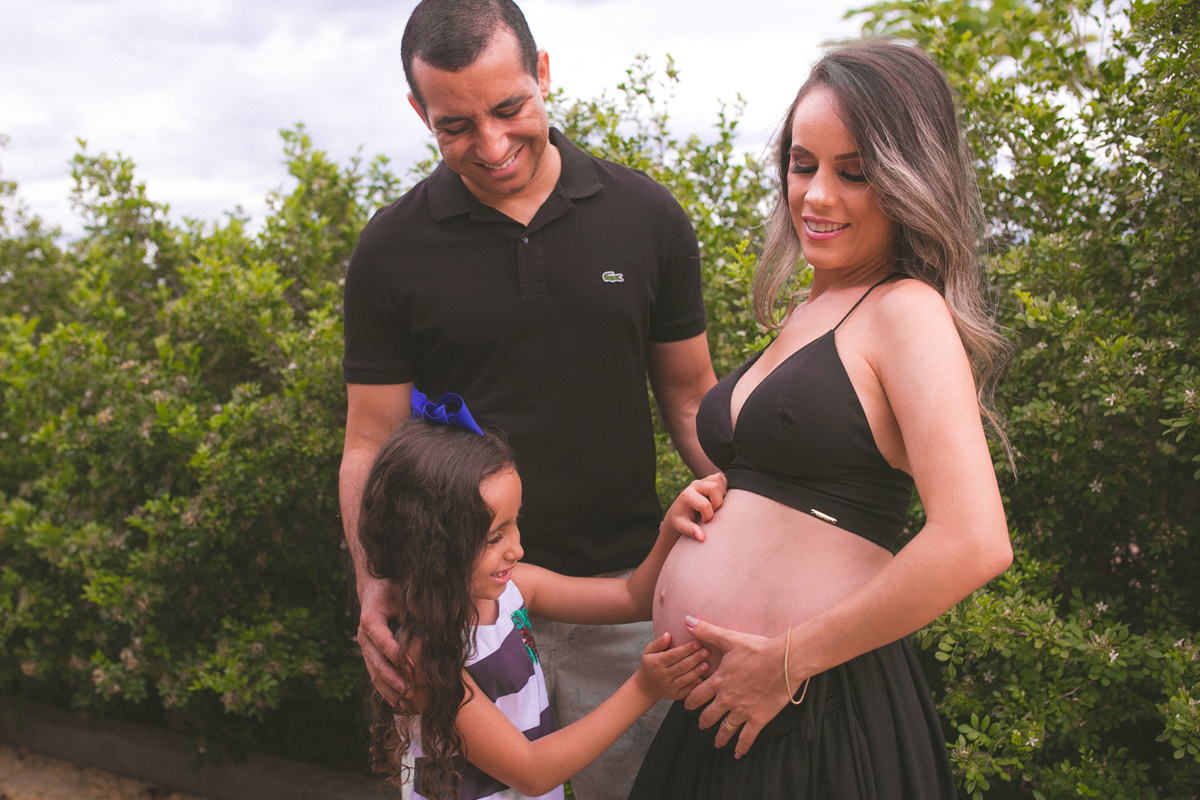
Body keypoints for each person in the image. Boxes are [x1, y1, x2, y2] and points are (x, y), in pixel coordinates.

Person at [339, 3, 717, 796]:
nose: (492, 146)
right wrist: (375, 582)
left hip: (620, 602)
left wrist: (753, 532)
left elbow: (690, 400)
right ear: (419, 113)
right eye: (454, 127)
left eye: (510, 109)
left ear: (542, 73)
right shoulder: (390, 249)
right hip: (454, 615)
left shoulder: (646, 217)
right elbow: (369, 442)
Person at [629, 41, 1014, 799]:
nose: (816, 195)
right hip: (724, 711)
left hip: (817, 714)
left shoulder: (907, 311)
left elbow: (974, 541)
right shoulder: (814, 310)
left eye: (854, 173)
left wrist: (788, 659)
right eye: (803, 165)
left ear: (910, 181)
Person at [355, 394, 724, 799]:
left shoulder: (515, 591)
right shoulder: (426, 656)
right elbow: (531, 771)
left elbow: (630, 596)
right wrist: (644, 688)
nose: (516, 549)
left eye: (516, 523)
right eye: (495, 536)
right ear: (434, 547)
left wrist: (671, 528)